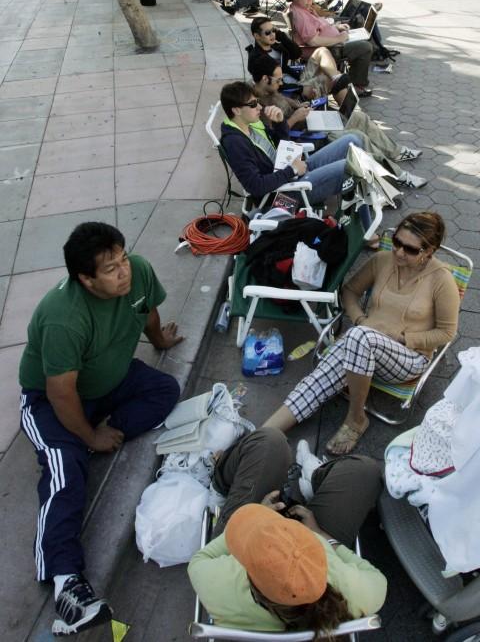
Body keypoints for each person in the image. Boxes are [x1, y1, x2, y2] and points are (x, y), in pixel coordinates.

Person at [19, 222, 182, 635]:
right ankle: (66, 582)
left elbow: (147, 308)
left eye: (123, 258)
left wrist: (159, 341)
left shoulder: (139, 272)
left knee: (164, 389)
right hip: (52, 400)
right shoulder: (62, 318)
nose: (124, 271)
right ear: (85, 279)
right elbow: (59, 393)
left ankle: (93, 441)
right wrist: (89, 435)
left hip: (109, 380)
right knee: (64, 475)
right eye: (111, 269)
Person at [264, 212, 460, 456]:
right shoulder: (382, 260)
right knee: (315, 382)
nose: (399, 252)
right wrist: (360, 319)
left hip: (408, 356)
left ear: (429, 251)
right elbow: (350, 292)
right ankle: (258, 439)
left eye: (410, 249)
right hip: (364, 345)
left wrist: (404, 338)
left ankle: (356, 418)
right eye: (397, 242)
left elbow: (447, 332)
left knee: (357, 338)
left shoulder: (442, 281)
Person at [188, 429, 387, 634]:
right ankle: (316, 479)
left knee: (270, 442)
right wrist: (323, 537)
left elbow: (200, 559)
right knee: (363, 470)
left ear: (254, 584)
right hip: (322, 541)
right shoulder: (351, 591)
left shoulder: (222, 585)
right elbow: (376, 578)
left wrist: (259, 516)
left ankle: (221, 486)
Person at [249, 55, 427, 189]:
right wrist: (295, 117)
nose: (280, 83)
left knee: (358, 117)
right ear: (265, 79)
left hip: (310, 122)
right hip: (307, 136)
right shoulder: (256, 105)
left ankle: (394, 152)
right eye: (278, 80)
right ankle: (397, 176)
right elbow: (275, 137)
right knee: (359, 138)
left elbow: (280, 97)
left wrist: (297, 105)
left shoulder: (268, 89)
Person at [219, 81, 373, 230]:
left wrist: (280, 123)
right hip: (282, 195)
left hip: (290, 172)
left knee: (353, 141)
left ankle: (366, 192)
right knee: (352, 167)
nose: (259, 106)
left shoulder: (251, 124)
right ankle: (367, 229)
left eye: (257, 101)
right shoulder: (235, 143)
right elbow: (256, 187)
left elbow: (282, 145)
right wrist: (291, 170)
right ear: (236, 110)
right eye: (253, 104)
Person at [288, 0, 373, 97]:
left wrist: (336, 28)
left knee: (361, 36)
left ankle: (352, 82)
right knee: (365, 47)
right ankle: (357, 85)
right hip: (329, 49)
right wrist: (339, 38)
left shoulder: (303, 8)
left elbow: (319, 27)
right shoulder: (300, 15)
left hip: (333, 42)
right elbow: (313, 41)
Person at [247, 15, 350, 100]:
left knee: (322, 51)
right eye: (267, 33)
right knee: (328, 79)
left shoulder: (275, 46)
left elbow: (296, 54)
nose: (272, 35)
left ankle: (336, 78)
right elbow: (270, 87)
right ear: (256, 36)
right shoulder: (257, 58)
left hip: (298, 78)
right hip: (291, 89)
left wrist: (281, 35)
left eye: (273, 30)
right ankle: (349, 113)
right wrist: (300, 88)